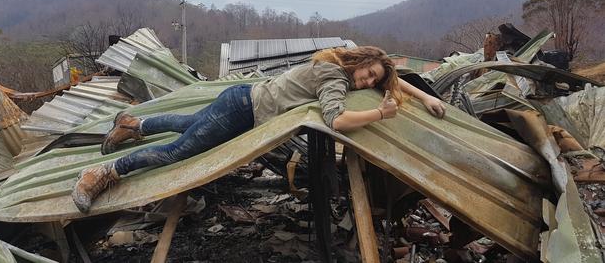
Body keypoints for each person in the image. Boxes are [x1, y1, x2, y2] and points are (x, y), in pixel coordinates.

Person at [71, 46, 445, 212]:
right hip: (243, 112)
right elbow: (337, 121)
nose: (366, 84)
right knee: (178, 152)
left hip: (241, 97)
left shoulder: (335, 57)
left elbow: (389, 76)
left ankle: (134, 123)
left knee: (188, 123)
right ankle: (102, 173)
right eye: (367, 75)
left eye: (373, 81)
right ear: (360, 62)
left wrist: (424, 98)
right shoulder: (333, 76)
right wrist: (380, 115)